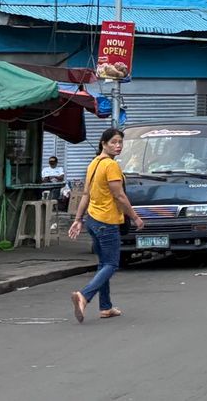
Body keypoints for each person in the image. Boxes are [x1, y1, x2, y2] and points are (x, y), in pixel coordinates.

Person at [68, 128, 144, 323]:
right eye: (114, 142)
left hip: (93, 220)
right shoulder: (110, 165)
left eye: (120, 142)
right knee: (111, 264)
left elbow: (86, 195)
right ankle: (84, 296)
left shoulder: (94, 164)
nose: (118, 146)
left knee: (103, 264)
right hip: (107, 221)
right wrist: (135, 217)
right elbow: (119, 196)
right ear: (103, 143)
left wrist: (78, 219)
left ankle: (106, 307)